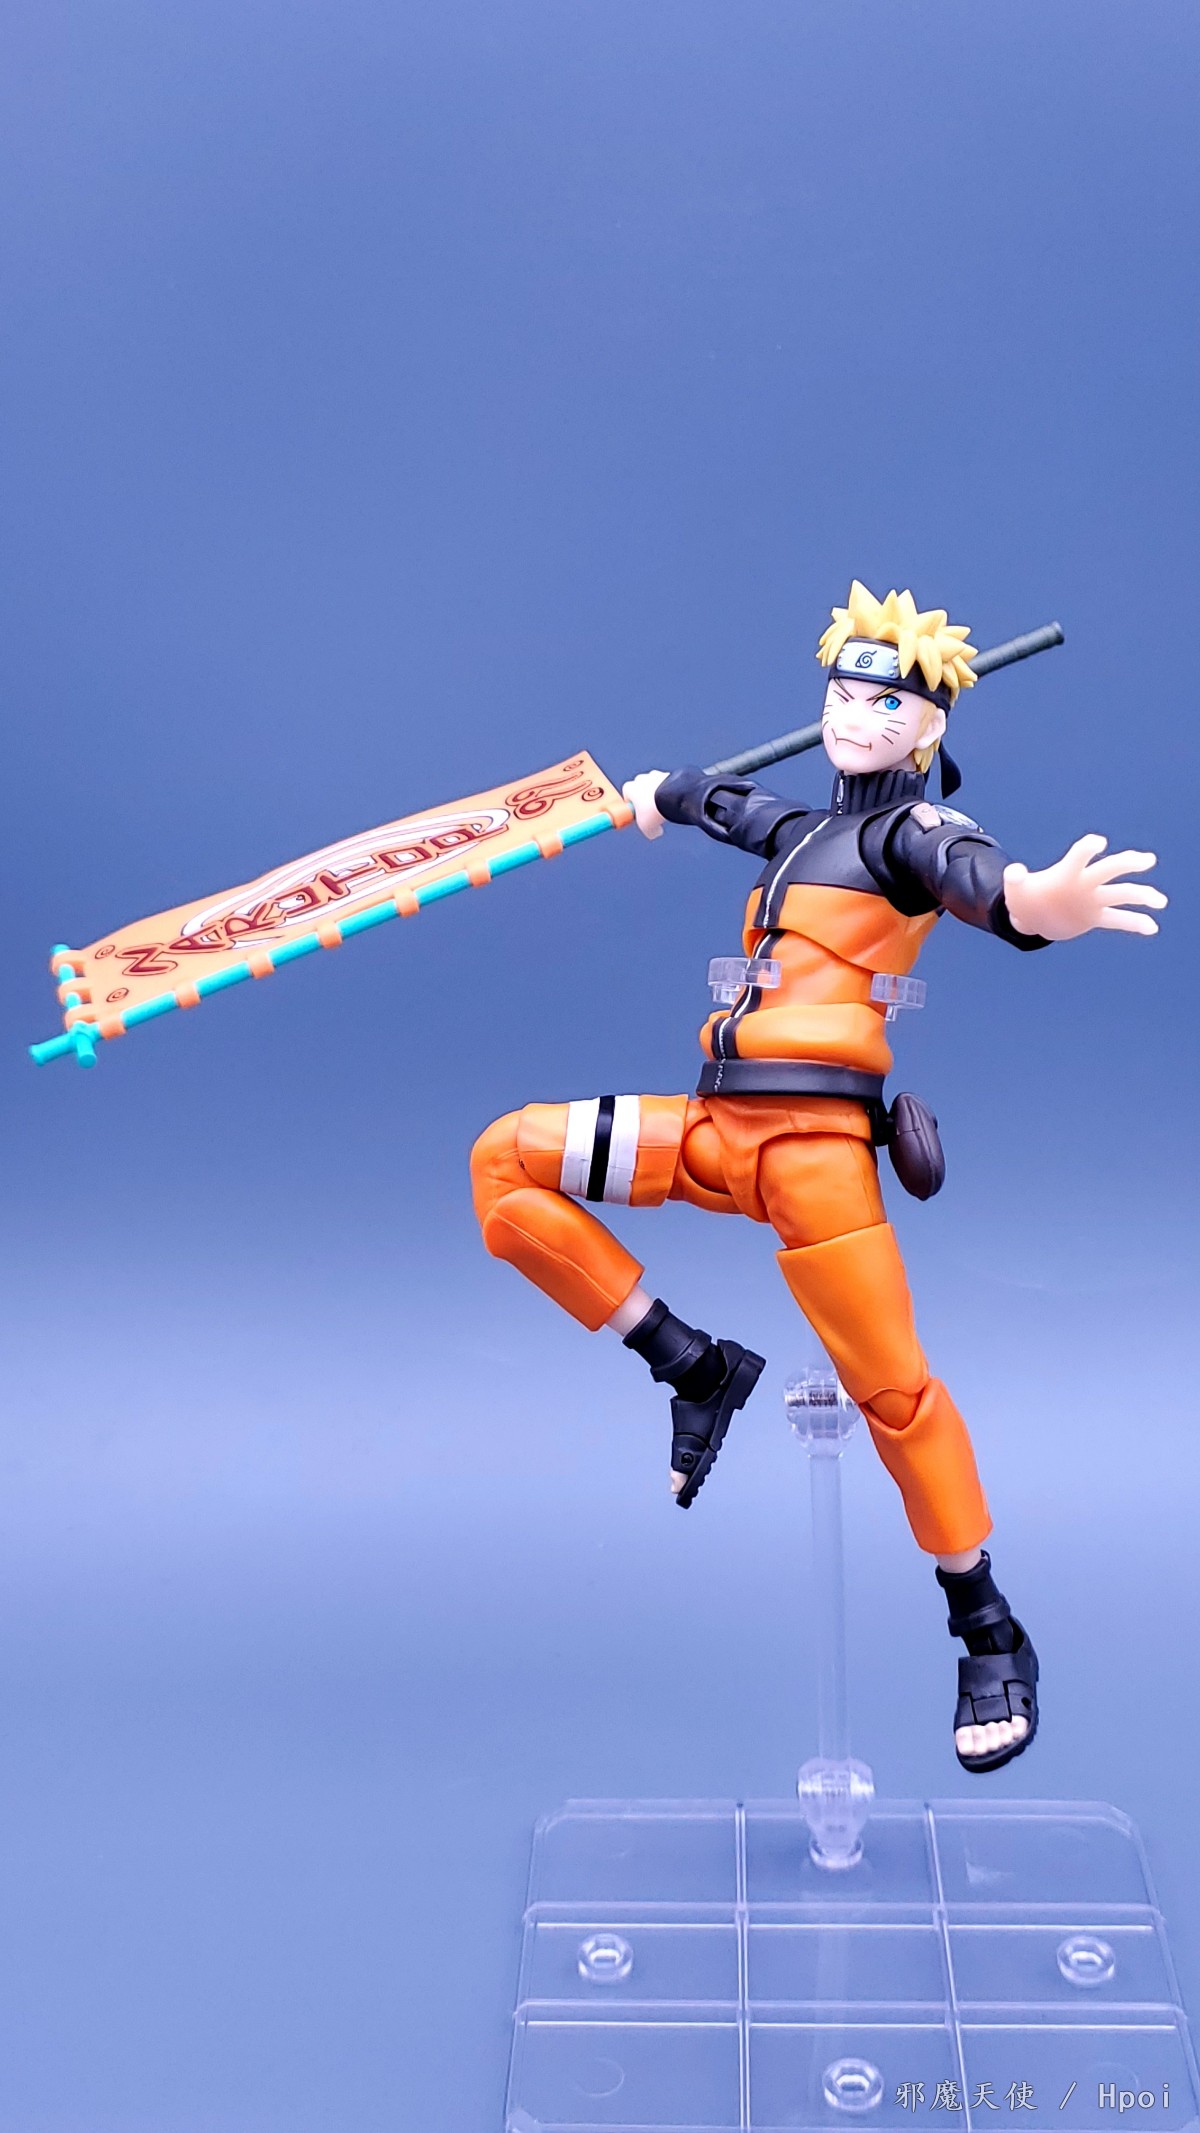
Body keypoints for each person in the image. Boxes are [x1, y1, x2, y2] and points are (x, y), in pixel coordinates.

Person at [469, 581, 1165, 1772]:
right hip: (712, 1133)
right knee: (506, 1163)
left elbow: (983, 884)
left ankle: (987, 1625)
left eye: (886, 701)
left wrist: (1041, 906)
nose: (855, 713)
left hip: (816, 1161)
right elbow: (726, 803)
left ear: (929, 725)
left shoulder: (913, 839)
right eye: (843, 691)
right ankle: (692, 1363)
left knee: (894, 1397)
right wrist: (659, 795)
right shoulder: (800, 833)